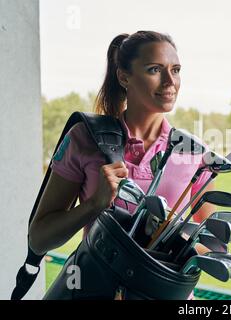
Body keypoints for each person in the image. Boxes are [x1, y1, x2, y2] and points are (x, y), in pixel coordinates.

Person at [29, 31, 215, 290]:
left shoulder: (194, 152)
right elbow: (39, 240)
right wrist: (94, 204)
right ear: (124, 76)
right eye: (154, 69)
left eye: (176, 69)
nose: (170, 81)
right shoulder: (84, 138)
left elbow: (214, 245)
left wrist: (176, 237)